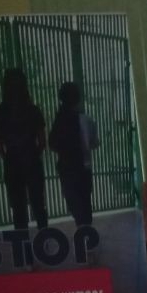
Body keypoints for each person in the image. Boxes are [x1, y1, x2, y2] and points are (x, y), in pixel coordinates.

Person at [0, 67, 48, 230]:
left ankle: (22, 241)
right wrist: (34, 154)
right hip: (32, 160)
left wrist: (8, 157)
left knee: (18, 207)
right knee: (38, 204)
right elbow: (42, 141)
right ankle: (44, 237)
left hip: (12, 162)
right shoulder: (33, 111)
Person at [47, 80, 100, 227]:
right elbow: (95, 143)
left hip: (66, 167)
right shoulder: (86, 120)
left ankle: (81, 226)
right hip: (84, 166)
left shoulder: (59, 120)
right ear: (78, 98)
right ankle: (87, 231)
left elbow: (52, 144)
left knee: (73, 201)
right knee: (85, 200)